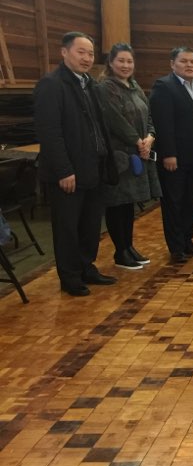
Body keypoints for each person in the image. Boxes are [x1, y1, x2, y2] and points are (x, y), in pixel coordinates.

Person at [34, 31, 118, 296]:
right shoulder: (51, 84)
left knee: (90, 224)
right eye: (81, 52)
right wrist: (64, 170)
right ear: (64, 52)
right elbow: (50, 132)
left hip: (94, 167)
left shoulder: (89, 84)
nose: (87, 58)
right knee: (67, 227)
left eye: (91, 54)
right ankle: (69, 277)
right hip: (68, 172)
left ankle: (86, 267)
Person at [97, 43, 162, 270]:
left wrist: (150, 138)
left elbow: (150, 116)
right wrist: (137, 141)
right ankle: (120, 252)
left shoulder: (135, 86)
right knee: (117, 204)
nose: (126, 65)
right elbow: (115, 121)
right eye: (121, 61)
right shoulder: (105, 88)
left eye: (129, 61)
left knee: (129, 205)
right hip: (120, 158)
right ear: (111, 63)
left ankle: (129, 246)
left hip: (139, 153)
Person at [150, 45, 193, 264]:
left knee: (190, 202)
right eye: (184, 61)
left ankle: (187, 240)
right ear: (172, 64)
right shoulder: (164, 86)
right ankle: (176, 247)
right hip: (174, 159)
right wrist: (168, 154)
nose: (189, 65)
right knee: (174, 203)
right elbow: (163, 123)